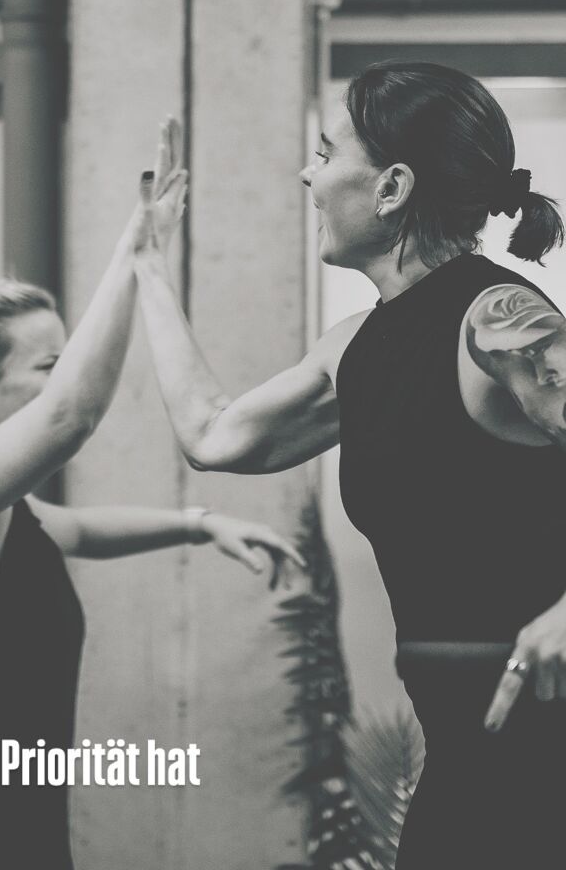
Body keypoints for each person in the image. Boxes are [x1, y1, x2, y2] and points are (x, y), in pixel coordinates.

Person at [0, 120, 305, 870]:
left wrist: (198, 523)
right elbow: (70, 416)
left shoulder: (1, 514)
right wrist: (136, 258)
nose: (65, 376)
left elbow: (77, 529)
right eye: (49, 364)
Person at [132, 62, 566, 869]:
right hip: (467, 758)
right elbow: (214, 436)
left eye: (327, 154)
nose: (309, 174)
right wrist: (148, 270)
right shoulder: (356, 350)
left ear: (393, 187)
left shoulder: (499, 319)